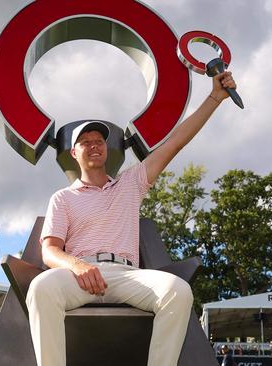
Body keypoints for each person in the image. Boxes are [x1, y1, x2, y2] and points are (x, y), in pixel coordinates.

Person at [26, 71, 237, 366]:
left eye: (99, 139)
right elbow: (50, 250)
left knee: (177, 291)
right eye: (85, 141)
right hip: (79, 275)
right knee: (41, 288)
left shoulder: (130, 183)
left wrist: (215, 98)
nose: (94, 144)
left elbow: (174, 143)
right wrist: (77, 265)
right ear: (74, 153)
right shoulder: (63, 198)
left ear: (106, 148)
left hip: (127, 275)